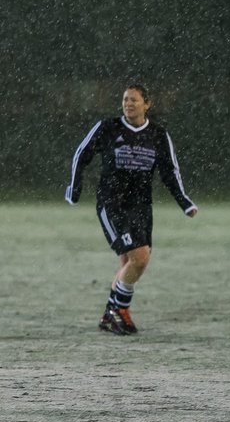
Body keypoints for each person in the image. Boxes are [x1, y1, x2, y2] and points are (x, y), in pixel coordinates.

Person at [66, 83, 198, 335]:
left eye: (134, 100)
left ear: (147, 104)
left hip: (141, 205)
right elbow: (81, 155)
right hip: (112, 203)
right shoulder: (108, 127)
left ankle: (110, 314)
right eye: (125, 99)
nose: (128, 104)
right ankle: (119, 311)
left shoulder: (158, 134)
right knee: (140, 258)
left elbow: (171, 171)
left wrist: (184, 202)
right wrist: (74, 188)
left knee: (130, 262)